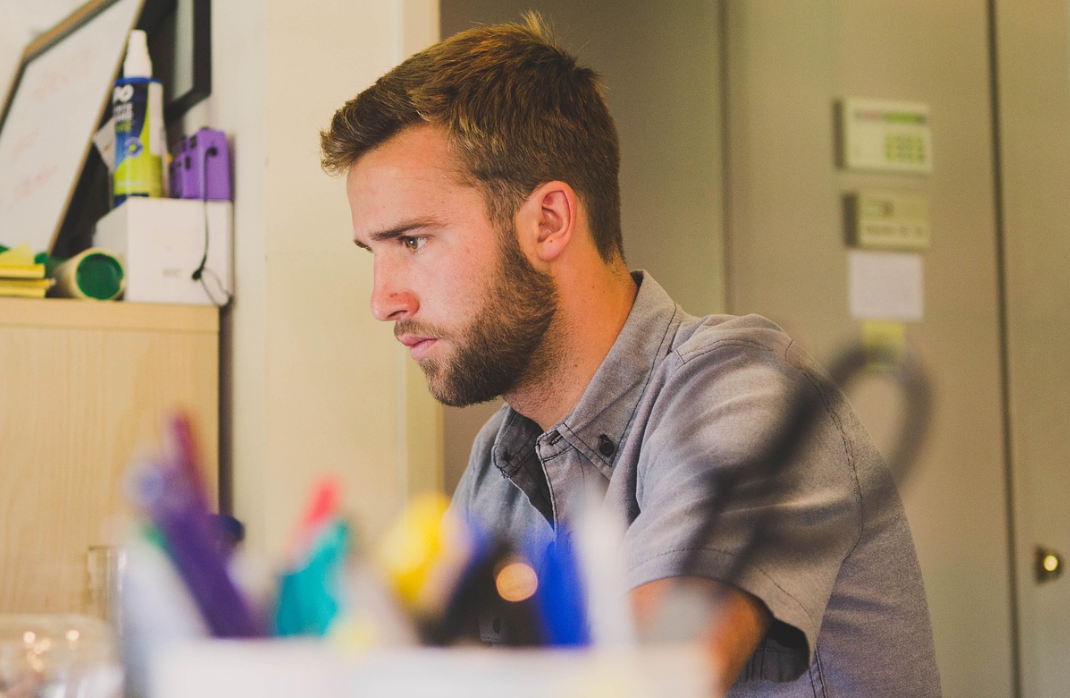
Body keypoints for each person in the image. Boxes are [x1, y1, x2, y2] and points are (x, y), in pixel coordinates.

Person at [320, 14, 941, 697]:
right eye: (372, 252)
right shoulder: (498, 464)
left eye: (411, 241)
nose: (382, 300)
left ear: (548, 222)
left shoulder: (747, 390)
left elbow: (652, 681)